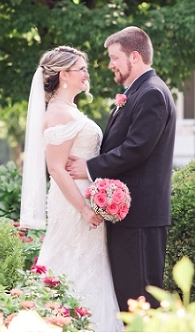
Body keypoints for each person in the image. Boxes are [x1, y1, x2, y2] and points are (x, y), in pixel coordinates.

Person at [66, 26, 176, 312]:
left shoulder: (151, 93)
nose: (110, 64)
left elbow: (136, 149)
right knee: (128, 298)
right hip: (128, 215)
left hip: (140, 215)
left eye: (115, 57)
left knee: (140, 302)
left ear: (135, 57)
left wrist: (89, 167)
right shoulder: (137, 92)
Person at [19, 46, 123, 332]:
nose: (87, 75)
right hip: (74, 202)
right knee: (68, 260)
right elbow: (55, 167)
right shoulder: (59, 114)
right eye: (82, 70)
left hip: (84, 196)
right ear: (64, 75)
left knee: (89, 263)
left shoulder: (69, 110)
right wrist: (84, 208)